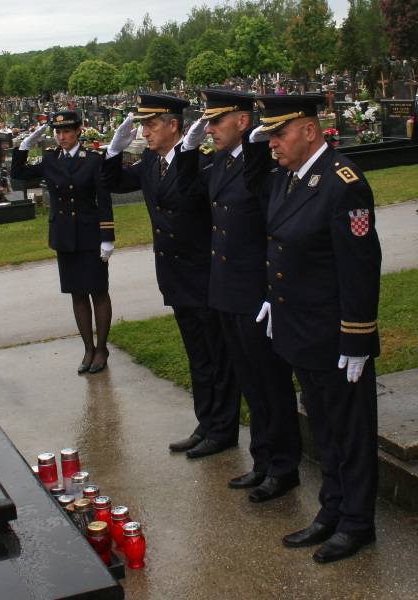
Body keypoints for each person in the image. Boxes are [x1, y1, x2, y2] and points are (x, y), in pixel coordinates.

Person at [244, 94, 382, 563]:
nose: (272, 144)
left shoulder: (344, 184)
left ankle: (358, 523)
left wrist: (358, 338)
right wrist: (271, 297)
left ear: (308, 130)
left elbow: (360, 267)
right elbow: (284, 248)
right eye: (269, 136)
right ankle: (332, 510)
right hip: (299, 329)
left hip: (334, 335)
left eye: (279, 134)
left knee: (351, 430)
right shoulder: (286, 179)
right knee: (323, 429)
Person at [177, 90, 302, 502]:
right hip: (226, 291)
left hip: (256, 294)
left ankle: (283, 467)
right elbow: (186, 195)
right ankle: (263, 459)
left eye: (217, 122)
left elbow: (271, 226)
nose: (209, 128)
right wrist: (189, 151)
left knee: (271, 384)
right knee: (250, 382)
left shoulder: (261, 167)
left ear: (243, 123)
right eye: (207, 123)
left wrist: (270, 289)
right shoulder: (216, 164)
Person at [103, 94, 240, 458]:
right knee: (197, 354)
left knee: (217, 355)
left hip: (204, 274)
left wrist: (188, 156)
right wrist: (113, 152)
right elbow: (114, 182)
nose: (143, 132)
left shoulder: (199, 163)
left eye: (150, 124)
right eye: (143, 125)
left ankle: (224, 429)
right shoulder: (150, 162)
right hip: (175, 275)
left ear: (173, 125)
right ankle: (206, 422)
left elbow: (196, 193)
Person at [11, 110, 115, 374]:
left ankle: (102, 348)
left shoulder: (92, 159)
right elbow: (19, 174)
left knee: (98, 293)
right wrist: (24, 146)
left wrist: (107, 237)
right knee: (77, 294)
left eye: (67, 131)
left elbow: (103, 199)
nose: (62, 137)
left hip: (90, 236)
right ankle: (88, 348)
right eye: (58, 132)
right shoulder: (50, 159)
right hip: (64, 237)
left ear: (78, 130)